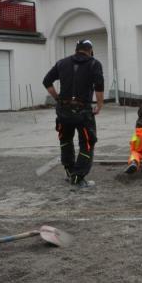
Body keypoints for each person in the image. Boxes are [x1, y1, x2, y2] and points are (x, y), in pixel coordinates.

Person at [43, 39, 104, 189]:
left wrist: (57, 98)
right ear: (90, 50)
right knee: (87, 143)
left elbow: (46, 81)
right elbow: (99, 87)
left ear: (77, 49)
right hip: (83, 112)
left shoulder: (62, 63)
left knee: (65, 140)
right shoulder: (94, 64)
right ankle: (78, 177)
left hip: (64, 112)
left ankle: (70, 172)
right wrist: (99, 105)